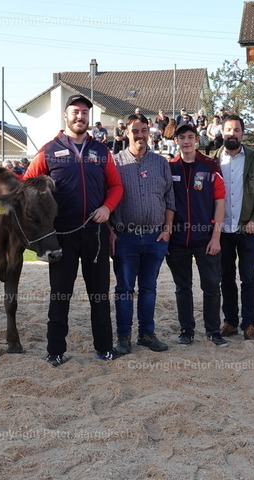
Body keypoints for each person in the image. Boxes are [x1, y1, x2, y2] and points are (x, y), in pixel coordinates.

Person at [22, 94, 124, 366]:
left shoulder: (101, 151)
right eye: (75, 112)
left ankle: (104, 348)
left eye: (84, 112)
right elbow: (26, 185)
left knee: (99, 294)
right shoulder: (48, 150)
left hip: (96, 232)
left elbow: (116, 186)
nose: (80, 116)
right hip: (62, 235)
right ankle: (55, 350)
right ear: (65, 116)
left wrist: (108, 208)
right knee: (60, 293)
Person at [110, 114, 175, 354]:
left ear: (149, 132)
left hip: (155, 237)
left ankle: (147, 334)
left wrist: (167, 230)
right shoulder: (115, 163)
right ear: (126, 133)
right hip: (125, 236)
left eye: (143, 130)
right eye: (135, 131)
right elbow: (105, 199)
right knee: (124, 289)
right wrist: (110, 231)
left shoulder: (160, 163)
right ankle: (123, 337)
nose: (140, 135)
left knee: (149, 288)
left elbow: (170, 199)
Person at [212, 115, 254, 341]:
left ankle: (249, 325)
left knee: (248, 279)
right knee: (226, 279)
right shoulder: (213, 160)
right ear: (222, 132)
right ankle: (230, 323)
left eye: (236, 130)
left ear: (242, 134)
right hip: (221, 231)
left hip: (247, 229)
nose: (232, 133)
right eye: (228, 129)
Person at [166, 123, 227, 347]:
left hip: (205, 239)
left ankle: (213, 331)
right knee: (183, 287)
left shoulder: (210, 167)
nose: (186, 141)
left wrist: (216, 237)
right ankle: (186, 331)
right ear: (176, 141)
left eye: (190, 137)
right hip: (178, 240)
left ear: (197, 140)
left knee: (211, 286)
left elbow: (220, 203)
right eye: (182, 137)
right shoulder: (169, 167)